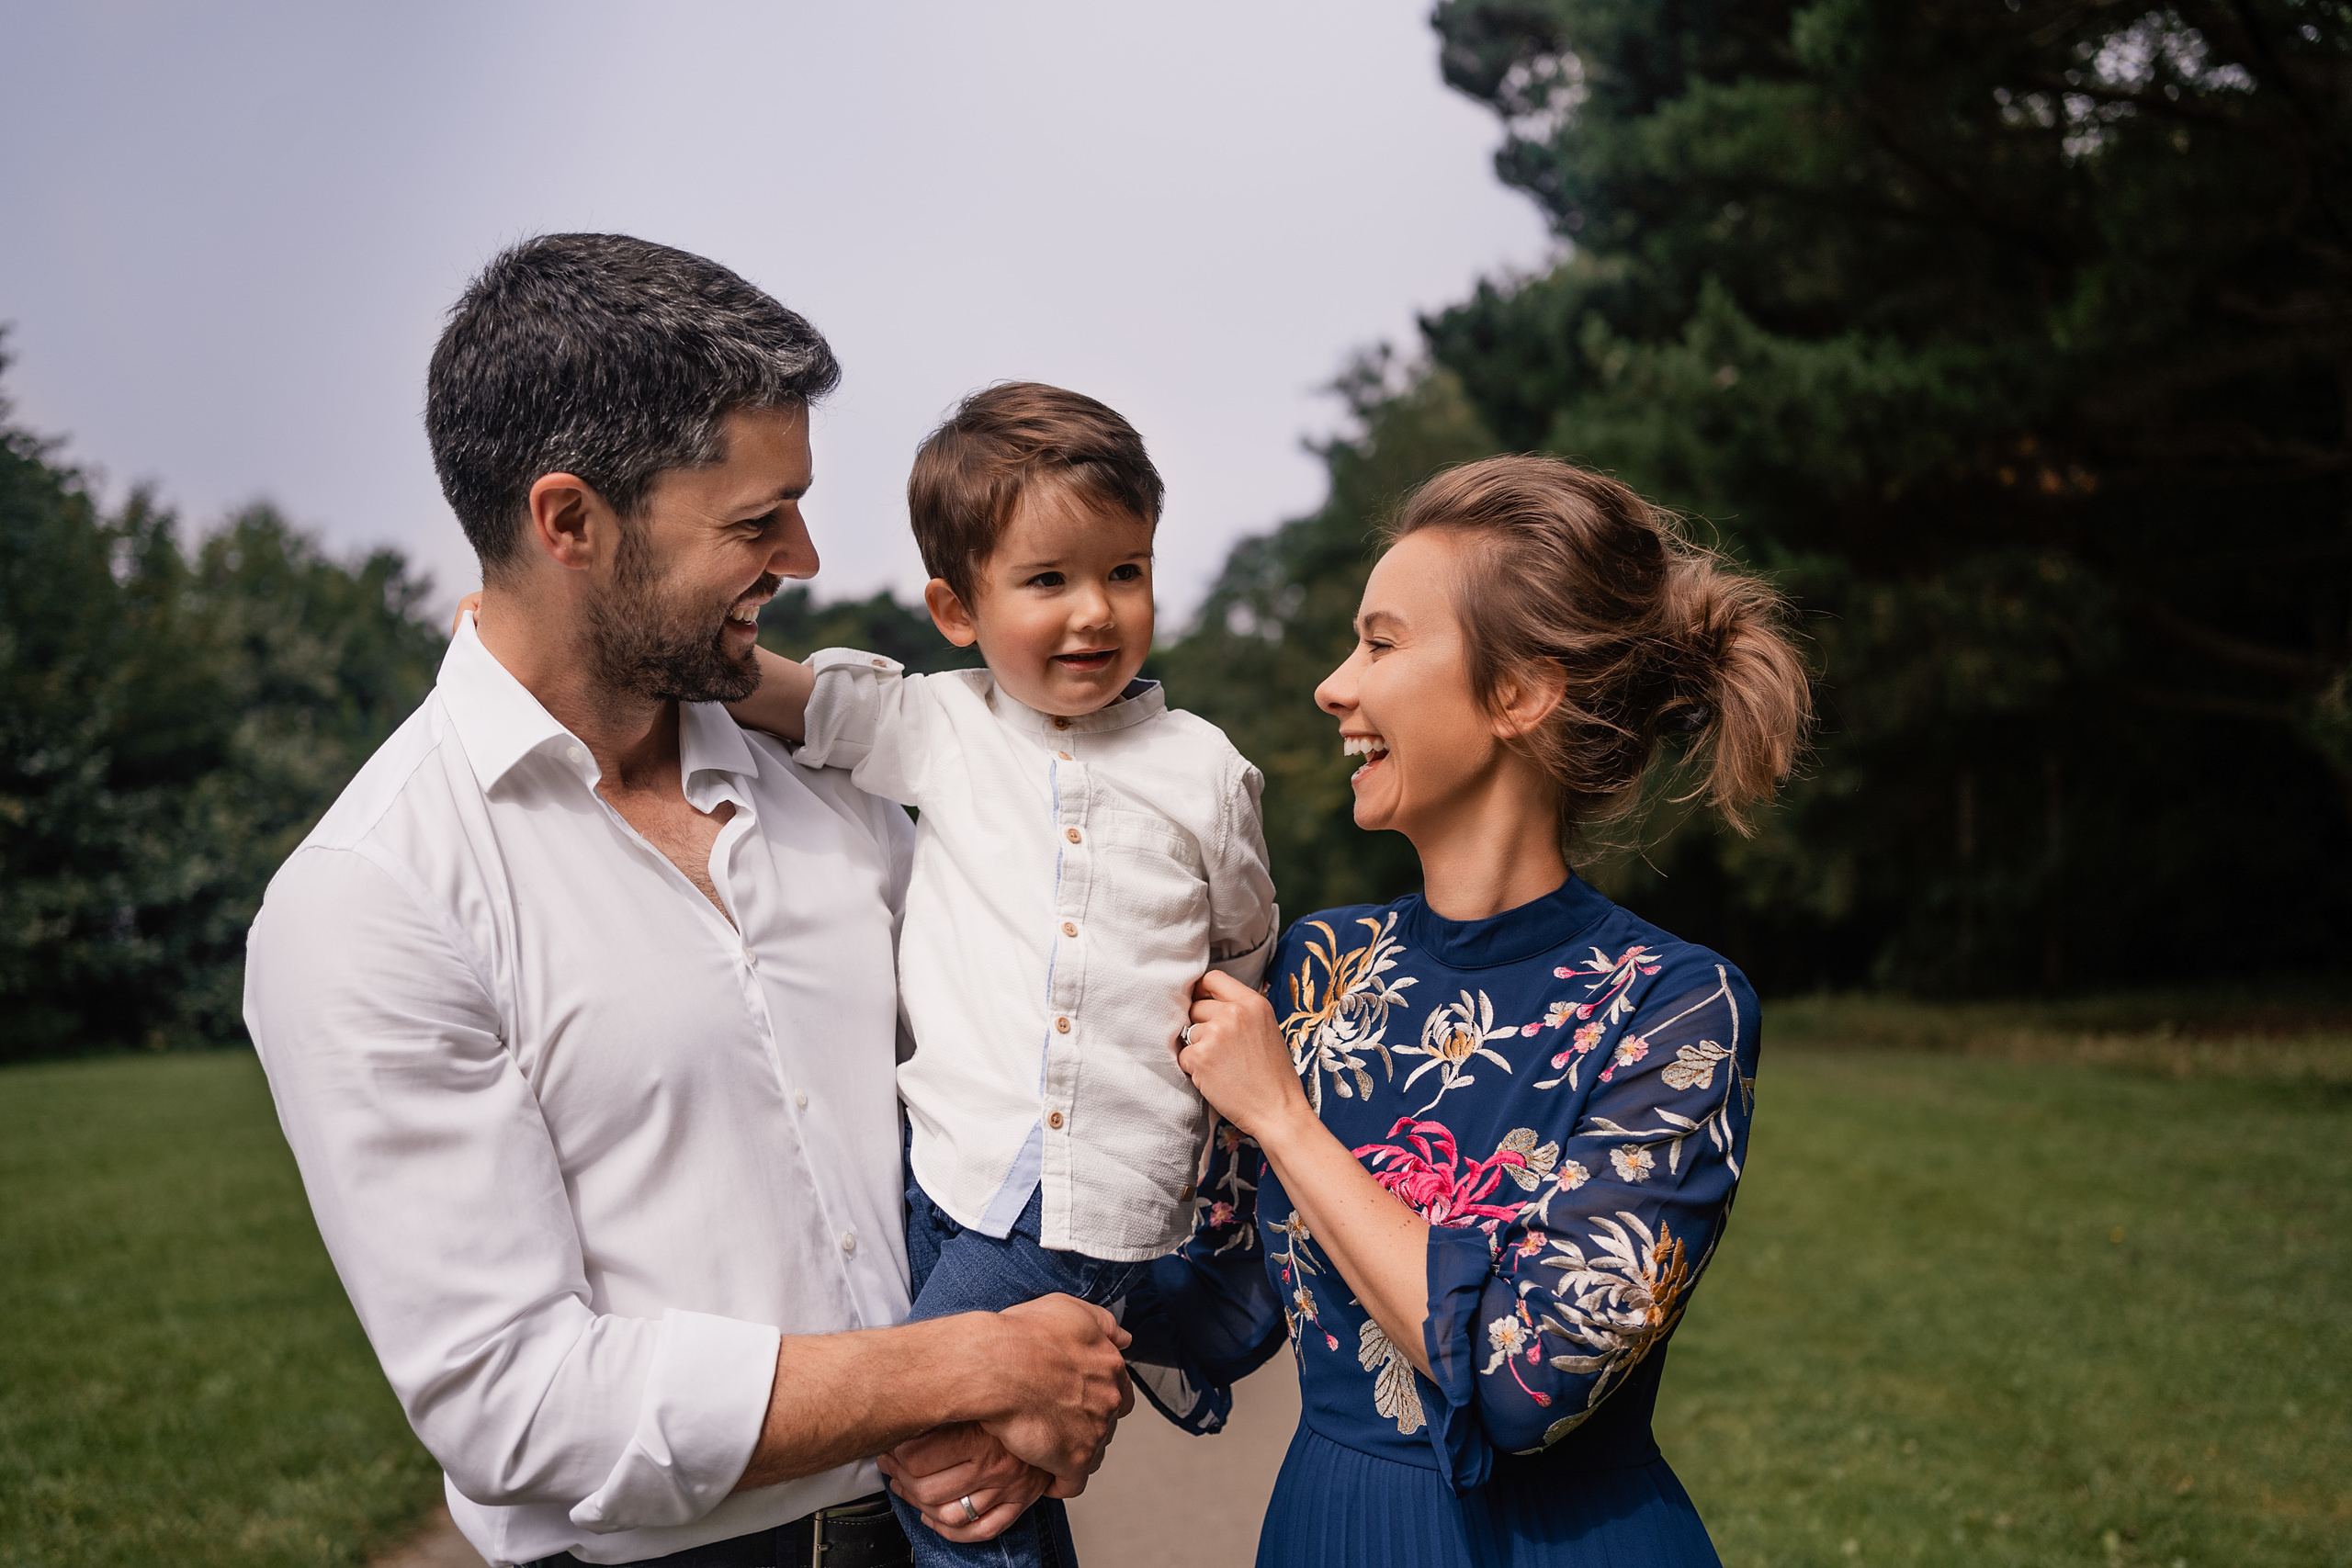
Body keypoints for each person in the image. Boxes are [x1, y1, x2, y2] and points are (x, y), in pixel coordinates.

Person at [242, 234, 1131, 1568]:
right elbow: (515, 1399)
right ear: (569, 523)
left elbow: (1017, 1065)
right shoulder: (372, 898)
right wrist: (958, 1367)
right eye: (754, 521)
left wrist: (1025, 1377)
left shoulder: (832, 790)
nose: (806, 553)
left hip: (964, 1528)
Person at [1155, 455, 1812, 1566]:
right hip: (1324, 1530)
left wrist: (1283, 1122)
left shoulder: (1674, 1008)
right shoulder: (1318, 969)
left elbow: (1526, 1382)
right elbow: (1220, 1308)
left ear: (1519, 693)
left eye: (1380, 641)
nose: (1332, 686)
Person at [724, 381, 1278, 1566]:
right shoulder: (938, 726)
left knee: (941, 1468)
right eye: (1047, 581)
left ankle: (1194, 1302)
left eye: (1124, 571)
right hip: (945, 1165)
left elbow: (1239, 953)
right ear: (957, 607)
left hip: (1087, 1193)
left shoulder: (1203, 771)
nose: (1094, 611)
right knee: (1004, 1472)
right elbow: (764, 689)